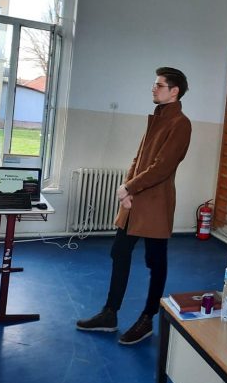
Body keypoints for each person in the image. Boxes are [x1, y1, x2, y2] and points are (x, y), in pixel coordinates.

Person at [76, 67, 192, 345]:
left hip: (156, 204)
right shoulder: (157, 118)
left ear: (174, 91)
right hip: (135, 199)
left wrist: (129, 187)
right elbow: (138, 159)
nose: (154, 88)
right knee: (119, 252)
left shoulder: (181, 123)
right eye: (155, 84)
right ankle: (110, 314)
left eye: (159, 85)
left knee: (156, 261)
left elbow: (163, 167)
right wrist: (127, 188)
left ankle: (147, 319)